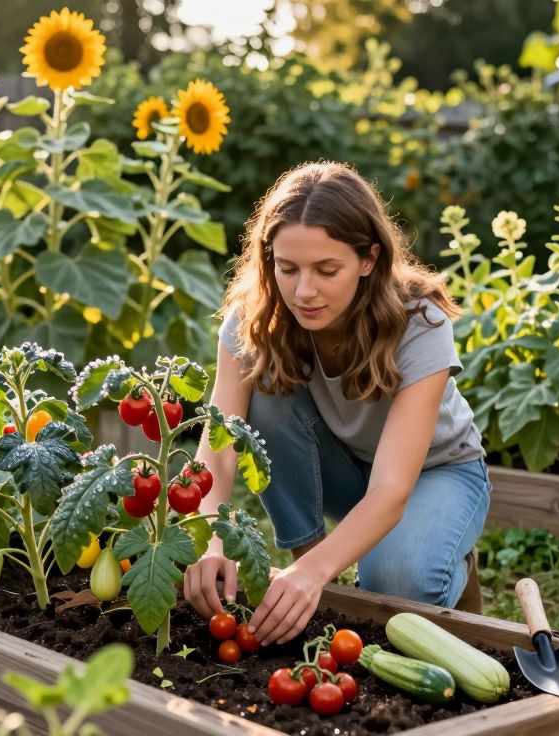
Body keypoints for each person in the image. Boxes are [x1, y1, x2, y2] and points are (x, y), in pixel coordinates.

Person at [182, 161, 490, 647]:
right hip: (342, 466)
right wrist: (208, 538)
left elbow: (391, 488)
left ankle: (447, 560)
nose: (304, 291)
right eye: (288, 268)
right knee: (265, 392)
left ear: (368, 259)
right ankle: (311, 572)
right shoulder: (255, 319)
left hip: (436, 472)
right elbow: (219, 445)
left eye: (327, 270)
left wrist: (310, 572)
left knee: (398, 584)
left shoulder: (419, 321)